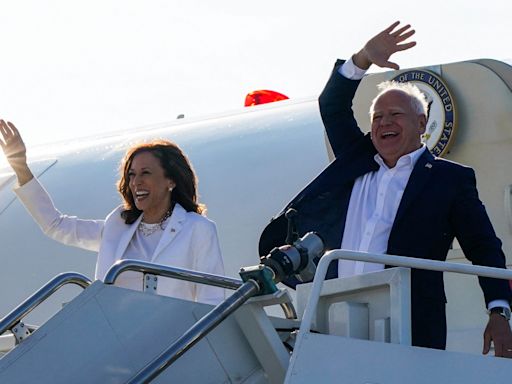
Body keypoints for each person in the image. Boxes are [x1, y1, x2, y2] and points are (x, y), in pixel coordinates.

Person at [259, 22, 512, 355]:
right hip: (334, 313)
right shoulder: (356, 159)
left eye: (395, 114)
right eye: (377, 117)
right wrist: (363, 58)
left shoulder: (450, 180)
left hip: (408, 321)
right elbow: (332, 105)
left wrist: (499, 311)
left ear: (422, 124)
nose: (384, 123)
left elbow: (484, 249)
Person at [0, 120, 225, 305]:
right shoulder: (117, 225)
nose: (136, 182)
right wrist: (20, 166)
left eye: (145, 173)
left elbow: (212, 301)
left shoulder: (198, 229)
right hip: (117, 340)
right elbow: (56, 225)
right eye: (131, 175)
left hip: (170, 344)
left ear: (171, 180)